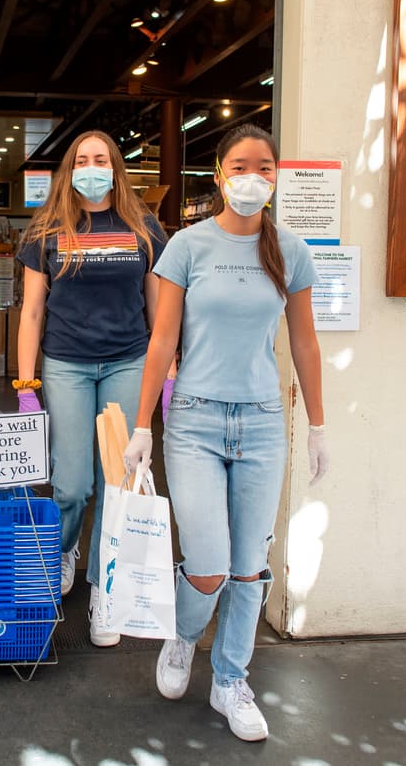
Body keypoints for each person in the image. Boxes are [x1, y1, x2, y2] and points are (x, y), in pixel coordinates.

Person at [123, 124, 329, 742]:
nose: (253, 177)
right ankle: (184, 637)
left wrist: (318, 425)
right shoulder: (187, 246)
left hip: (262, 421)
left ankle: (231, 679)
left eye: (265, 167)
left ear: (276, 177)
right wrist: (142, 424)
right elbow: (163, 339)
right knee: (209, 563)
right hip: (195, 421)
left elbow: (305, 342)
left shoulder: (290, 250)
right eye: (241, 166)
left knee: (248, 567)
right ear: (219, 175)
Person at [15, 130, 167, 647]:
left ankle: (106, 587)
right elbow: (32, 312)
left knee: (117, 483)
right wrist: (26, 384)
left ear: (116, 167)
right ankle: (62, 551)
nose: (92, 168)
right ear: (70, 169)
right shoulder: (48, 228)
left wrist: (167, 372)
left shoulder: (143, 226)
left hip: (128, 360)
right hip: (67, 364)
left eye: (101, 159)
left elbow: (158, 310)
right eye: (82, 160)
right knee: (73, 484)